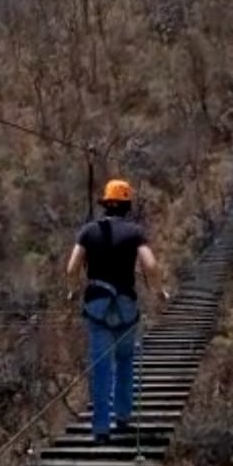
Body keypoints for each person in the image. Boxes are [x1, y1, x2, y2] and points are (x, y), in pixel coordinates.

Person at [66, 178, 166, 443]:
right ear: (126, 206)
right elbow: (151, 266)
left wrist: (72, 289)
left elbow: (72, 267)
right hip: (125, 305)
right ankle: (122, 416)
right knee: (125, 361)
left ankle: (100, 429)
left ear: (105, 205)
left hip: (97, 304)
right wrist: (158, 291)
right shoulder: (135, 233)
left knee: (100, 367)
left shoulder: (88, 232)